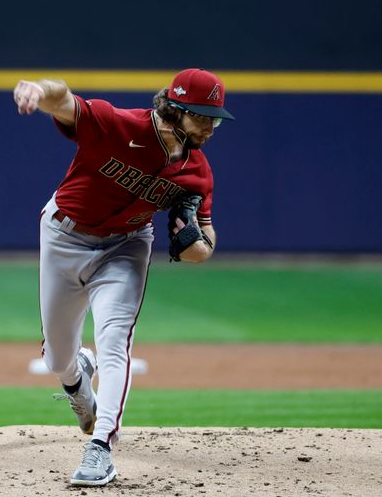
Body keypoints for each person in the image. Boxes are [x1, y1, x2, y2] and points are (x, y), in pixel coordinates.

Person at [13, 68, 234, 487]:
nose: (210, 126)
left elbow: (204, 245)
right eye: (202, 116)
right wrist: (38, 90)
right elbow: (65, 100)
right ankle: (78, 380)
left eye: (215, 118)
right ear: (175, 109)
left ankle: (101, 447)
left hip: (127, 246)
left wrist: (192, 241)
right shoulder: (117, 125)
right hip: (64, 236)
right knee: (57, 358)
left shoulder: (198, 172)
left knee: (116, 339)